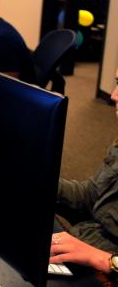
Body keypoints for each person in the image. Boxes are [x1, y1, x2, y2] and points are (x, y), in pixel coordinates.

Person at [50, 71, 118, 275]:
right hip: (84, 243)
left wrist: (103, 260)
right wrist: (39, 180)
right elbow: (92, 196)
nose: (113, 95)